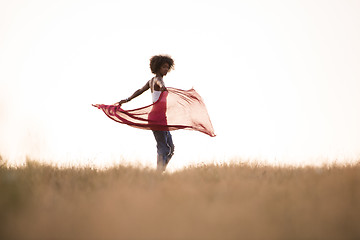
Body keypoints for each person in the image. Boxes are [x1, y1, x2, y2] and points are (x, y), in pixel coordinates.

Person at [115, 55, 175, 171]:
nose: (166, 70)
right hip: (157, 116)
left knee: (170, 148)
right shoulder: (158, 80)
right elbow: (159, 83)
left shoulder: (150, 81)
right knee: (164, 147)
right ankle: (158, 174)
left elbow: (139, 91)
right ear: (157, 67)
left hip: (161, 117)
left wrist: (127, 99)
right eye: (164, 67)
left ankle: (160, 171)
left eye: (167, 67)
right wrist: (163, 87)